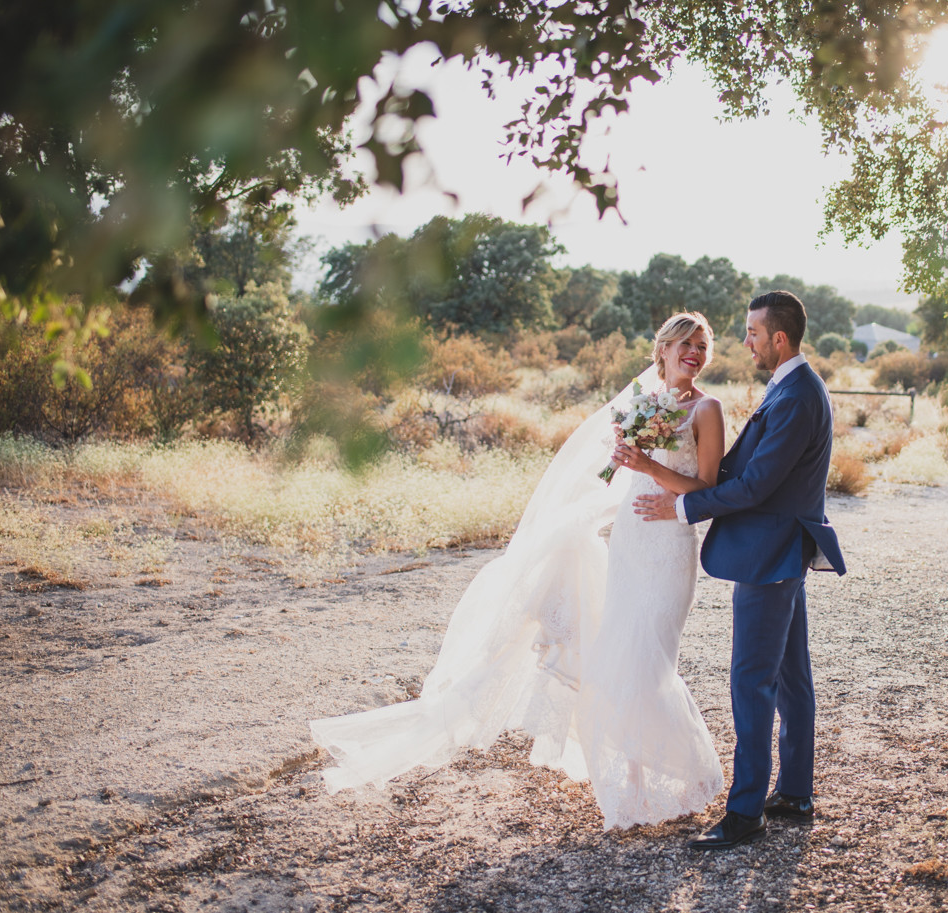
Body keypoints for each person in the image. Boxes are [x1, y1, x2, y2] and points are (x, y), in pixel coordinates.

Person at [309, 313, 725, 830]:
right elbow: (615, 475)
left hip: (669, 544)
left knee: (651, 659)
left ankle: (683, 774)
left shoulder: (709, 409)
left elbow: (708, 487)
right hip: (630, 542)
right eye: (685, 342)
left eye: (702, 344)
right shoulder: (642, 402)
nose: (694, 351)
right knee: (620, 657)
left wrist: (650, 469)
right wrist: (606, 489)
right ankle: (633, 791)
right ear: (662, 350)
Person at [633, 290, 846, 851]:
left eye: (752, 333)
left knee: (751, 681)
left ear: (778, 338)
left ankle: (747, 809)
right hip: (780, 550)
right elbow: (743, 467)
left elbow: (755, 486)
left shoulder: (799, 394)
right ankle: (795, 790)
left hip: (769, 554)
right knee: (793, 677)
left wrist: (682, 506)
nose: (745, 342)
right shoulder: (792, 386)